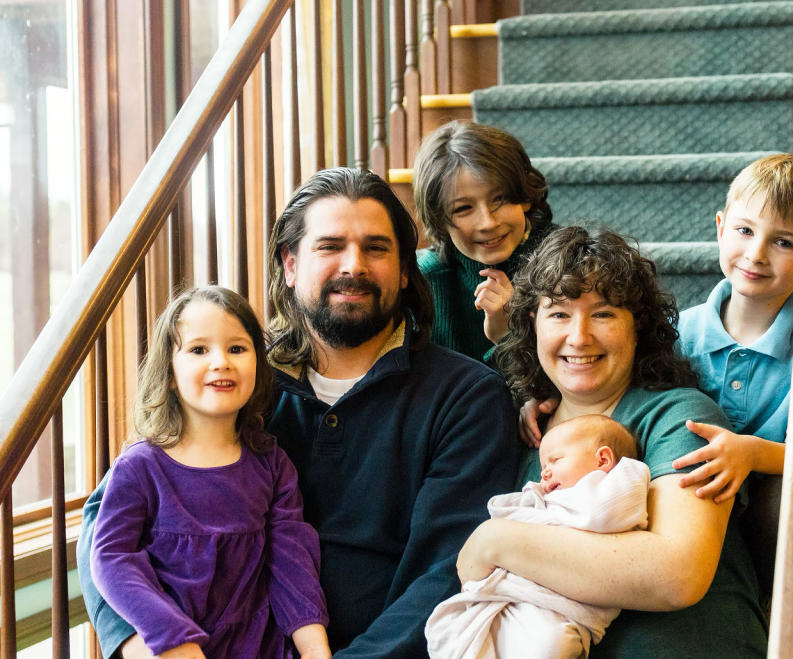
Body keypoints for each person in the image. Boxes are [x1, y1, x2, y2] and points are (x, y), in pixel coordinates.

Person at [76, 168, 521, 658]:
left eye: (376, 248)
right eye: (329, 246)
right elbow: (106, 522)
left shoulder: (467, 397)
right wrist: (139, 642)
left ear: (403, 269)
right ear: (290, 264)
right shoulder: (238, 382)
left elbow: (446, 571)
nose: (353, 265)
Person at [464, 226, 767, 657]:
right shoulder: (521, 430)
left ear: (637, 327)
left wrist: (495, 541)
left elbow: (676, 575)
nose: (579, 337)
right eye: (559, 314)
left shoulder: (680, 416)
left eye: (603, 313)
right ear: (532, 325)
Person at [89, 286, 330, 658]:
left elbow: (291, 560)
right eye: (199, 349)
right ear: (169, 372)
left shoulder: (272, 464)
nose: (221, 361)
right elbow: (111, 558)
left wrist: (315, 648)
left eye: (237, 348)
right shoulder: (139, 468)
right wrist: (173, 640)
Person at [672, 153, 793, 596]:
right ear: (721, 227)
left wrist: (752, 454)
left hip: (782, 510)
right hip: (699, 495)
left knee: (787, 501)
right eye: (744, 231)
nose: (755, 254)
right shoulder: (680, 332)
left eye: (784, 242)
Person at [425, 415, 650, 659]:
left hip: (559, 611)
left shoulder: (617, 490)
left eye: (555, 460)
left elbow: (600, 517)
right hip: (514, 598)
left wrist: (517, 528)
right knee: (449, 633)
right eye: (543, 466)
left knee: (549, 645)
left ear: (603, 459)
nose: (544, 473)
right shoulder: (550, 500)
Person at [414, 120, 556, 362]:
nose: (488, 222)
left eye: (499, 199)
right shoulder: (425, 280)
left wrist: (508, 337)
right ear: (439, 220)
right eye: (464, 208)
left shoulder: (567, 265)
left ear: (525, 197)